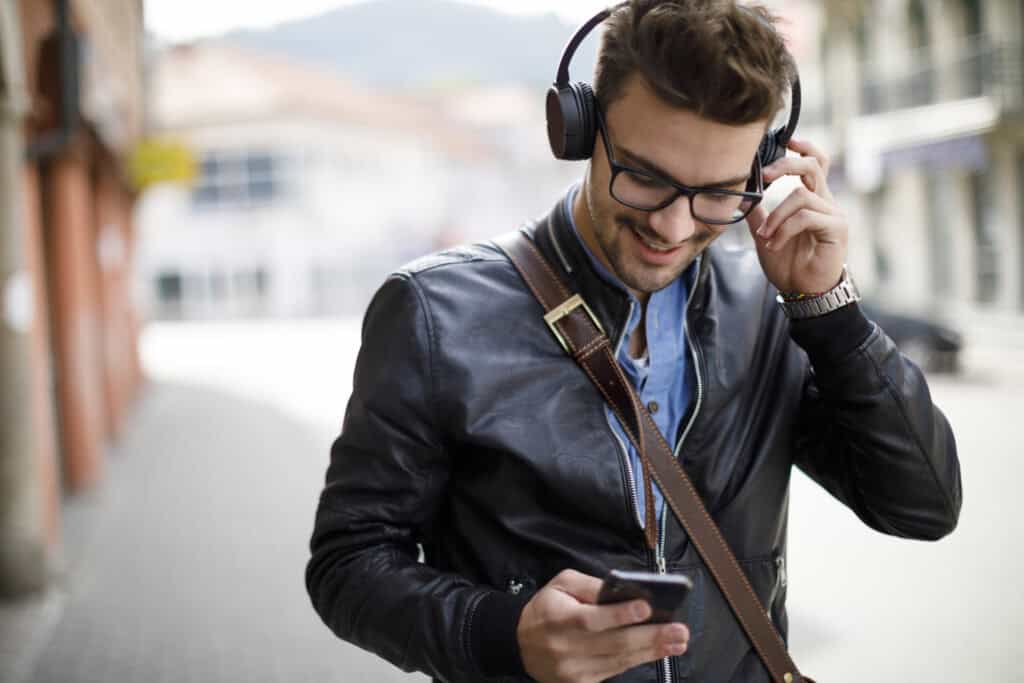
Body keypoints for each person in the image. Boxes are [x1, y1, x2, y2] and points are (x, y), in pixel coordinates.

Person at [305, 1, 962, 682]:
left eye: (716, 193)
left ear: (763, 166)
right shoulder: (434, 313)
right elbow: (348, 563)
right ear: (581, 128)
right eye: (646, 177)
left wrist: (828, 309)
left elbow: (922, 505)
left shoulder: (770, 309)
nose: (675, 227)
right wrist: (503, 633)